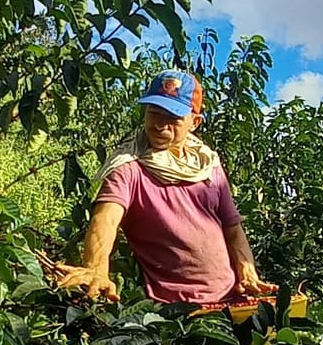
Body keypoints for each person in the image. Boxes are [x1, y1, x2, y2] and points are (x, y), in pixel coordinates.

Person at [57, 70, 272, 306]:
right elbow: (105, 219)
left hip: (232, 299)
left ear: (194, 122)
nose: (160, 125)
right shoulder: (129, 167)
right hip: (176, 310)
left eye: (172, 117)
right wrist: (95, 269)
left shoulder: (208, 165)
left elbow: (232, 229)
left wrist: (247, 271)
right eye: (154, 113)